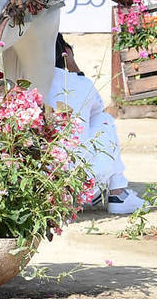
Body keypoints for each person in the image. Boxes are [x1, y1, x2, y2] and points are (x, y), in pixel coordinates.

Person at [53, 35, 144, 215]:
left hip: (37, 180)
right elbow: (98, 109)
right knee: (104, 121)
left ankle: (105, 191)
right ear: (66, 53)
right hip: (74, 180)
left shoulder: (24, 80)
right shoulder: (79, 83)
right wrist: (74, 67)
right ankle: (117, 193)